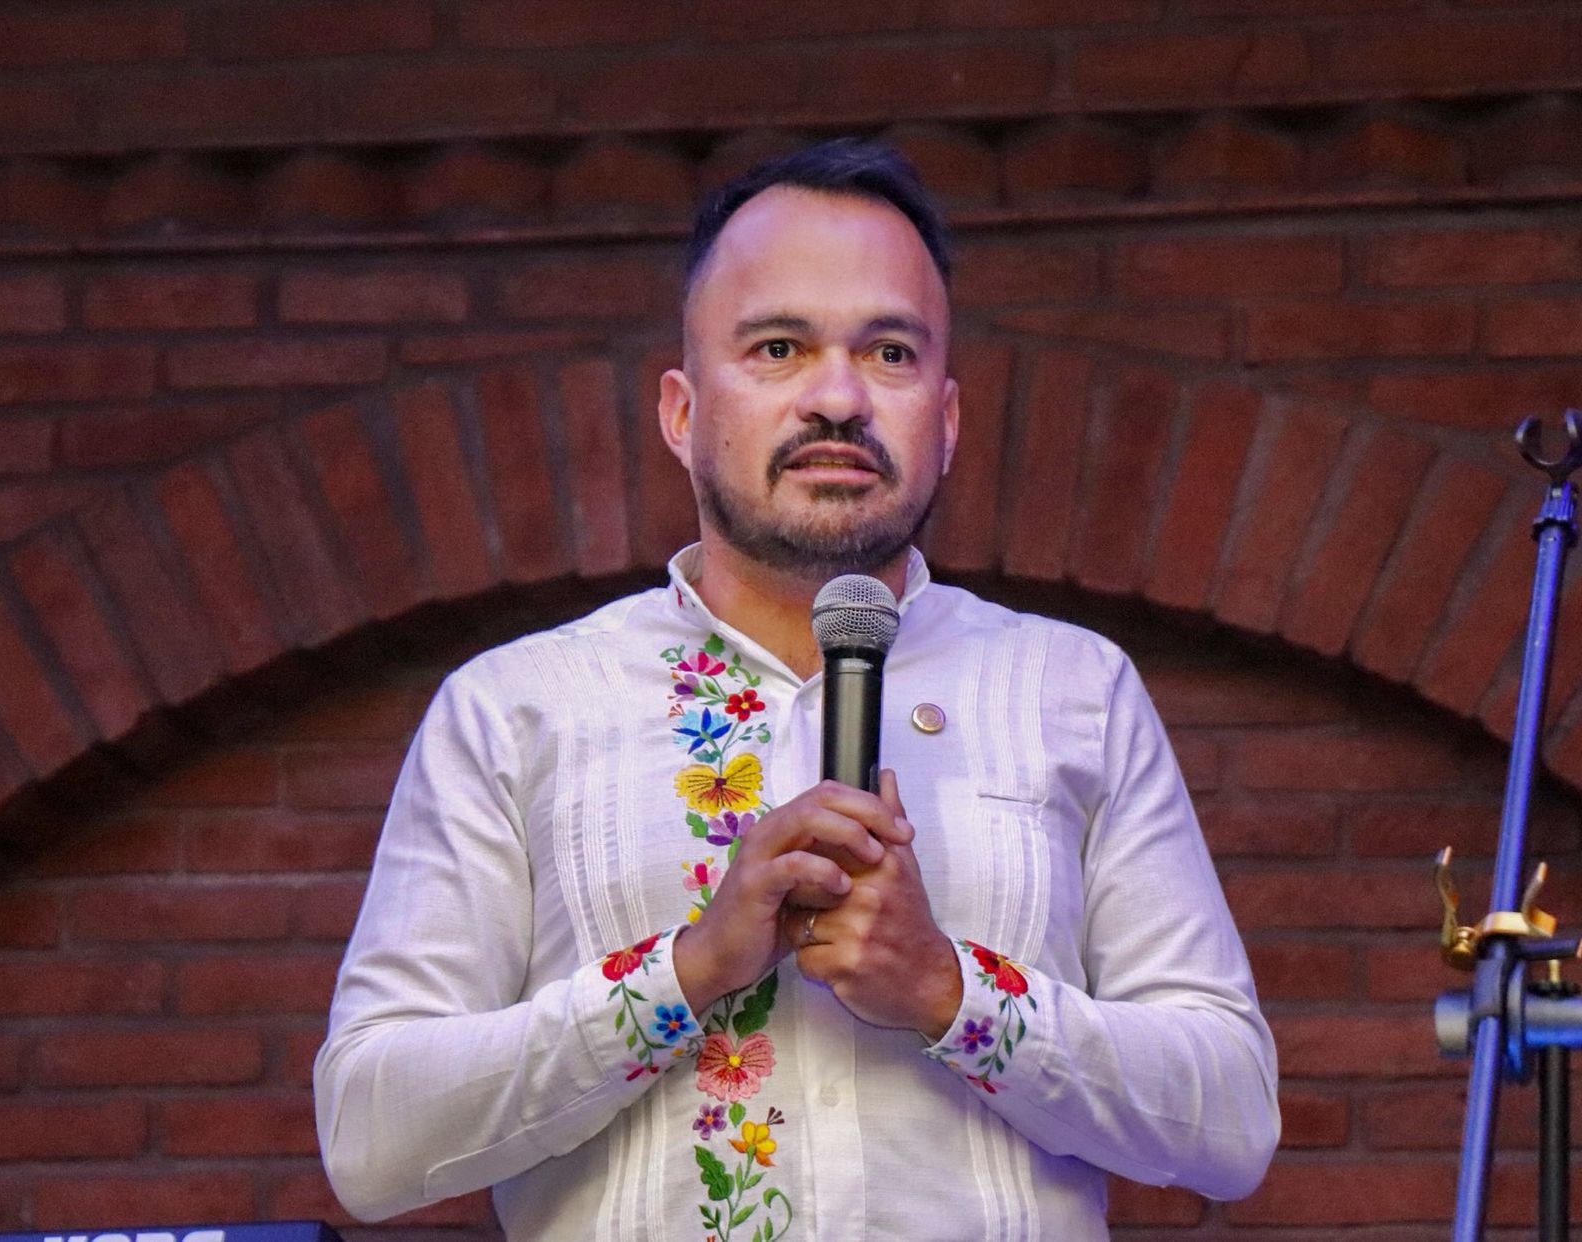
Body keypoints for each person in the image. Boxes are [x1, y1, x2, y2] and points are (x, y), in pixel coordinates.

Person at [314, 139, 1279, 1241]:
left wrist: (950, 992)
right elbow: (370, 1140)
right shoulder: (519, 706)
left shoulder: (1072, 689)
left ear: (946, 421)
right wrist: (685, 972)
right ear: (681, 413)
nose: (837, 397)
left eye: (889, 353)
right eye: (778, 347)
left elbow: (1231, 1121)